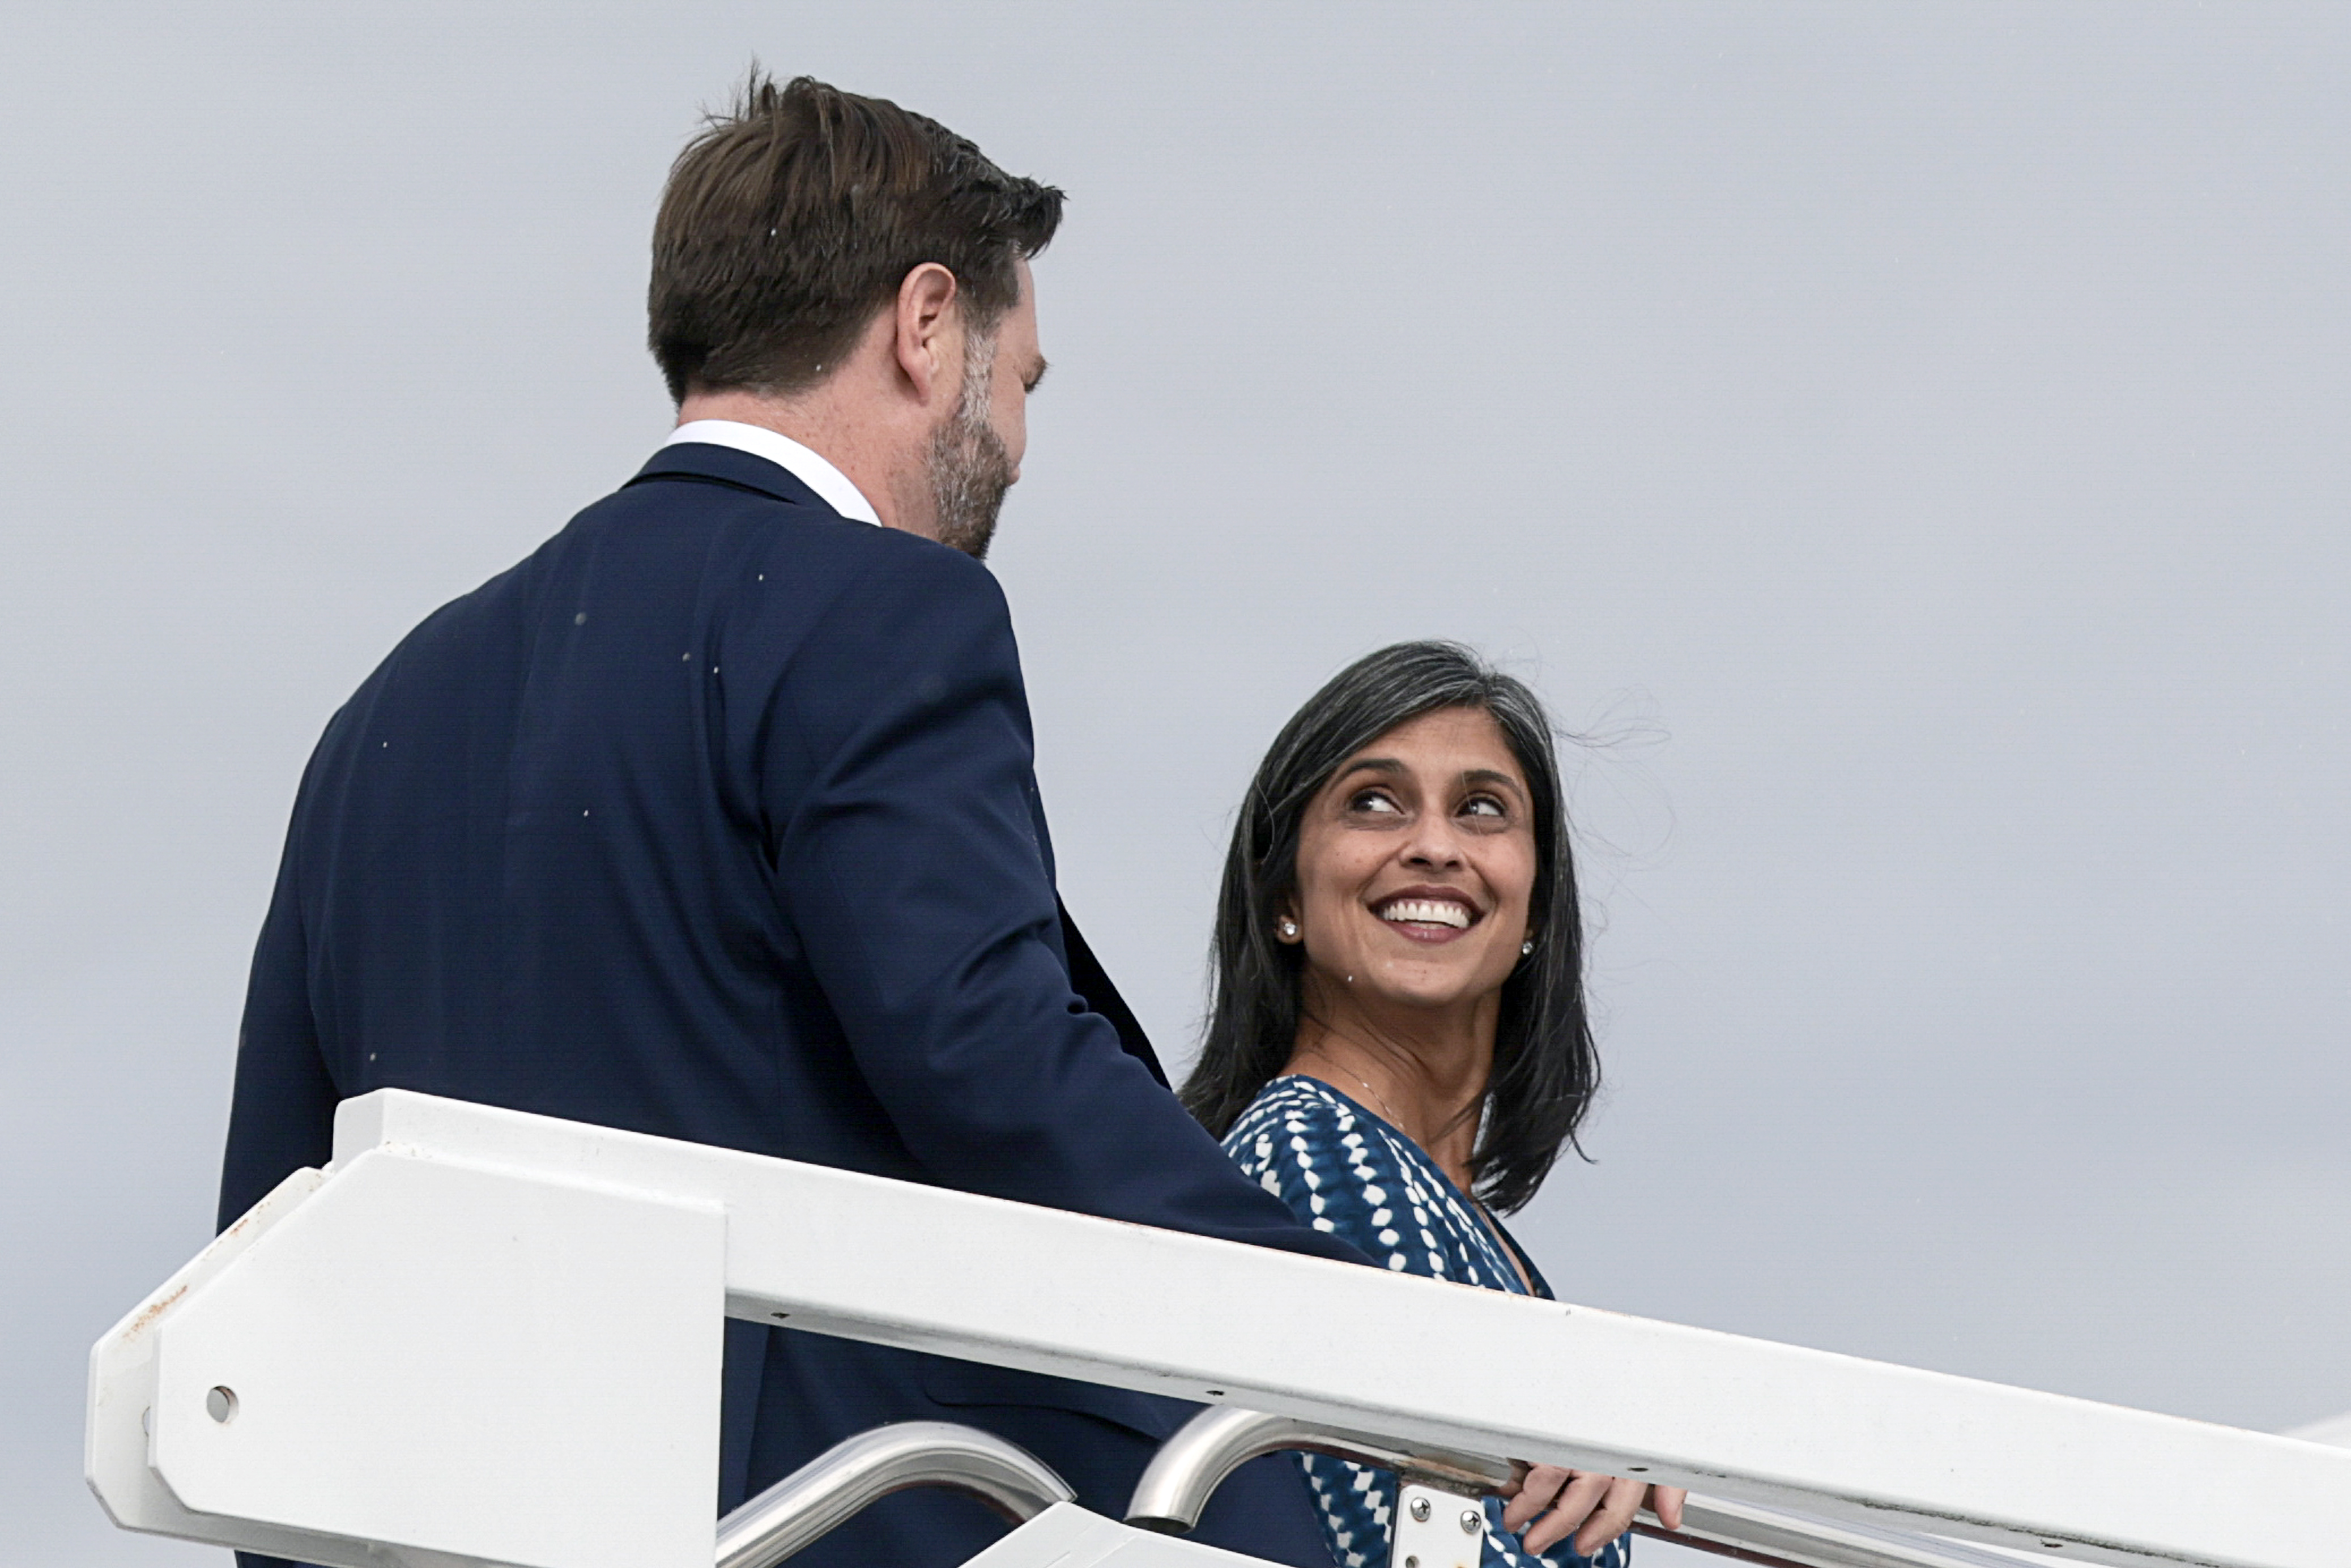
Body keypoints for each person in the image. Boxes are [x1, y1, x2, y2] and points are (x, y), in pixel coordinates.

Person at [216, 74, 1366, 1568]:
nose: (1016, 440)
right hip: (818, 1522)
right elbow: (989, 1062)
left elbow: (274, 1236)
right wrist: (1371, 1324)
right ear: (924, 323)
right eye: (1020, 379)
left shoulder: (382, 714)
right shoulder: (880, 613)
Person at [1184, 642, 1688, 1568]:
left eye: (1482, 809)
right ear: (1284, 895)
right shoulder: (1312, 1161)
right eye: (1371, 803)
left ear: (1535, 906)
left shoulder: (1460, 1228)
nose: (1432, 845)